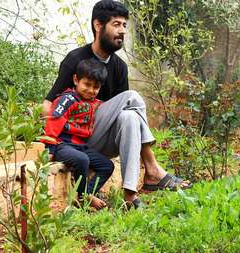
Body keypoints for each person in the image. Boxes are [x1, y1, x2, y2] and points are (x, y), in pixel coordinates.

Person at [42, 0, 190, 209]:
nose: (122, 31)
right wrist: (52, 143)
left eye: (124, 26)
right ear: (98, 25)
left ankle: (130, 194)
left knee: (130, 116)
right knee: (134, 98)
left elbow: (125, 117)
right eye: (116, 24)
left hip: (99, 139)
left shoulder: (119, 66)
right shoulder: (75, 59)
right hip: (74, 140)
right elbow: (49, 103)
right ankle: (152, 167)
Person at [42, 58, 113, 209]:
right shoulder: (67, 99)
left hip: (80, 146)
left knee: (107, 165)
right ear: (76, 79)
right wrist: (50, 150)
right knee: (82, 160)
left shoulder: (95, 103)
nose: (91, 90)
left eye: (96, 87)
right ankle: (83, 198)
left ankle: (88, 191)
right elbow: (53, 122)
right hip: (63, 145)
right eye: (87, 84)